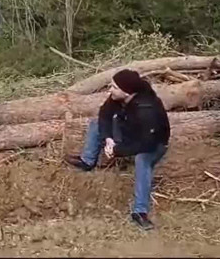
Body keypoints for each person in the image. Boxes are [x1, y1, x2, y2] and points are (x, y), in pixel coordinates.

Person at [64, 69, 170, 231]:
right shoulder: (119, 96)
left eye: (113, 87)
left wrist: (117, 150)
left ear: (126, 92)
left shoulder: (147, 109)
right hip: (130, 131)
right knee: (95, 125)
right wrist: (108, 139)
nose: (109, 90)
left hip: (154, 144)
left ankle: (140, 212)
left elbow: (146, 144)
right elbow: (104, 114)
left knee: (142, 160)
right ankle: (87, 161)